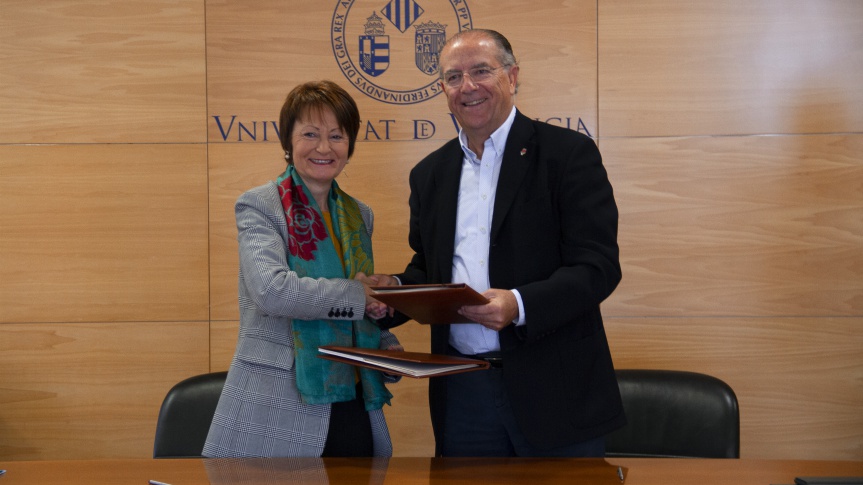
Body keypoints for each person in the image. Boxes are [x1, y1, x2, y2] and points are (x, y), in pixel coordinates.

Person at [370, 29, 626, 457]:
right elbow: (432, 268)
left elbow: (597, 266)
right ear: (443, 90)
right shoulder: (429, 175)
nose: (467, 86)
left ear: (513, 76)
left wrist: (519, 305)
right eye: (454, 77)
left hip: (555, 390)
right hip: (463, 392)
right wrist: (394, 291)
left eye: (481, 71)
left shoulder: (568, 155)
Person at [203, 80, 400, 458]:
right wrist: (360, 296)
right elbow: (272, 291)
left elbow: (355, 302)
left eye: (336, 136)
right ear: (288, 142)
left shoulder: (359, 215)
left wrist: (384, 346)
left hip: (352, 397)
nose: (324, 148)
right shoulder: (259, 205)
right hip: (278, 398)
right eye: (310, 134)